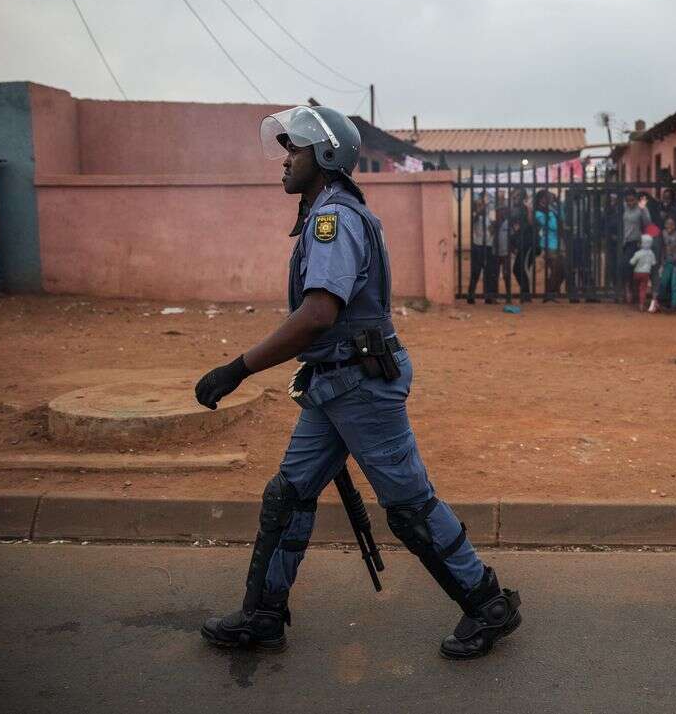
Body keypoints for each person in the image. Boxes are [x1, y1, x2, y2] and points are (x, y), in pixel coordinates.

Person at [194, 105, 521, 659]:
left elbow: (319, 312)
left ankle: (489, 604)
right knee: (288, 496)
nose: (284, 160)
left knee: (410, 508)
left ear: (323, 156)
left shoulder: (335, 220)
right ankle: (263, 616)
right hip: (334, 385)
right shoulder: (328, 212)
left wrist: (238, 368)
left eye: (294, 150)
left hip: (361, 388)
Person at [618, 190, 651, 303]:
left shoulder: (641, 209)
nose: (630, 203)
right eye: (628, 201)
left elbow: (647, 223)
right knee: (624, 266)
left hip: (636, 242)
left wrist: (643, 209)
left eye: (632, 200)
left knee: (629, 265)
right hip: (624, 242)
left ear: (636, 200)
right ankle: (628, 289)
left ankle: (629, 290)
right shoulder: (625, 208)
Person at [466, 192, 498, 304]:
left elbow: (494, 228)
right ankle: (471, 295)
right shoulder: (476, 214)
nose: (485, 203)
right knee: (475, 271)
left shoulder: (491, 213)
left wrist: (494, 224)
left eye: (486, 201)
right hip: (478, 245)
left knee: (488, 272)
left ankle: (488, 296)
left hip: (489, 245)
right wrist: (480, 210)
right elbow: (473, 220)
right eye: (482, 201)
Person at [533, 190, 564, 301]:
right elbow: (553, 226)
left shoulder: (551, 208)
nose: (551, 199)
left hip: (557, 243)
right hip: (548, 244)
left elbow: (562, 218)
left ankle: (550, 292)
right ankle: (550, 293)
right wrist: (551, 212)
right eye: (548, 197)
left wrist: (557, 205)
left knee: (561, 269)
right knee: (556, 268)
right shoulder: (538, 212)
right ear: (542, 199)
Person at [507, 188, 534, 303]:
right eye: (513, 195)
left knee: (519, 268)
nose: (514, 198)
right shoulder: (513, 209)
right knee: (519, 269)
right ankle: (525, 294)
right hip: (519, 242)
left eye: (517, 196)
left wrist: (529, 210)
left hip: (527, 242)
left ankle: (526, 294)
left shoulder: (525, 208)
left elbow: (531, 224)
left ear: (522, 197)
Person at [655, 215, 676, 312]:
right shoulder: (663, 233)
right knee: (664, 281)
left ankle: (674, 305)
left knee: (675, 283)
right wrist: (662, 260)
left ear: (675, 225)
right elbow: (663, 247)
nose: (669, 226)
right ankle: (662, 302)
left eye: (672, 224)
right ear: (664, 225)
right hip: (668, 260)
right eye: (667, 224)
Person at [629, 233, 657, 311]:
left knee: (635, 286)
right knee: (643, 289)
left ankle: (633, 299)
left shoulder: (638, 253)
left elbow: (632, 262)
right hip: (646, 274)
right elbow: (654, 263)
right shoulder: (651, 253)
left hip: (637, 273)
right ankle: (641, 304)